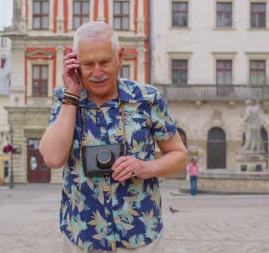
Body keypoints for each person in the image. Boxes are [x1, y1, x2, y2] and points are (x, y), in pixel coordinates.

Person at [39, 21, 187, 252]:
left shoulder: (147, 98)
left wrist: (145, 167)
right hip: (83, 236)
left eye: (105, 62)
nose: (97, 72)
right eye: (88, 64)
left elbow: (179, 156)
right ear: (75, 63)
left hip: (139, 235)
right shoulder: (65, 99)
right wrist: (72, 95)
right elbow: (53, 158)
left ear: (120, 57)